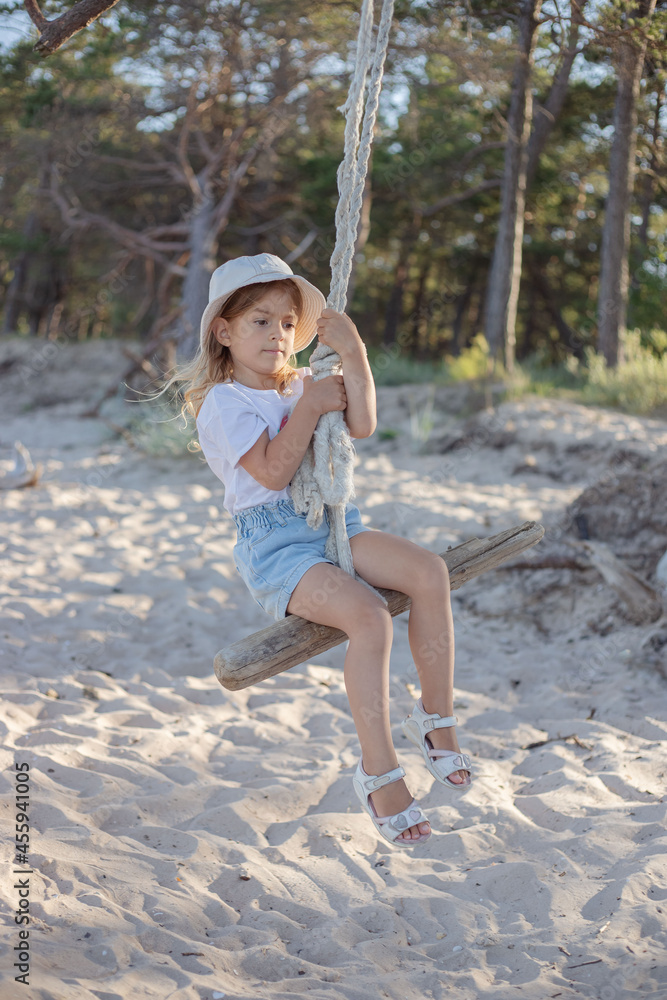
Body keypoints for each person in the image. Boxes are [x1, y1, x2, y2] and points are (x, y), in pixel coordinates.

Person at [177, 253, 471, 848]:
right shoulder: (224, 404)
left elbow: (360, 423)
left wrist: (355, 352)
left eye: (288, 323)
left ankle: (437, 720)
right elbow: (271, 473)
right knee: (367, 616)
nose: (278, 335)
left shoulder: (303, 382)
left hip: (335, 524)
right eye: (259, 322)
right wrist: (309, 406)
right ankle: (379, 770)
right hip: (279, 545)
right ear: (224, 331)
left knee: (428, 571)